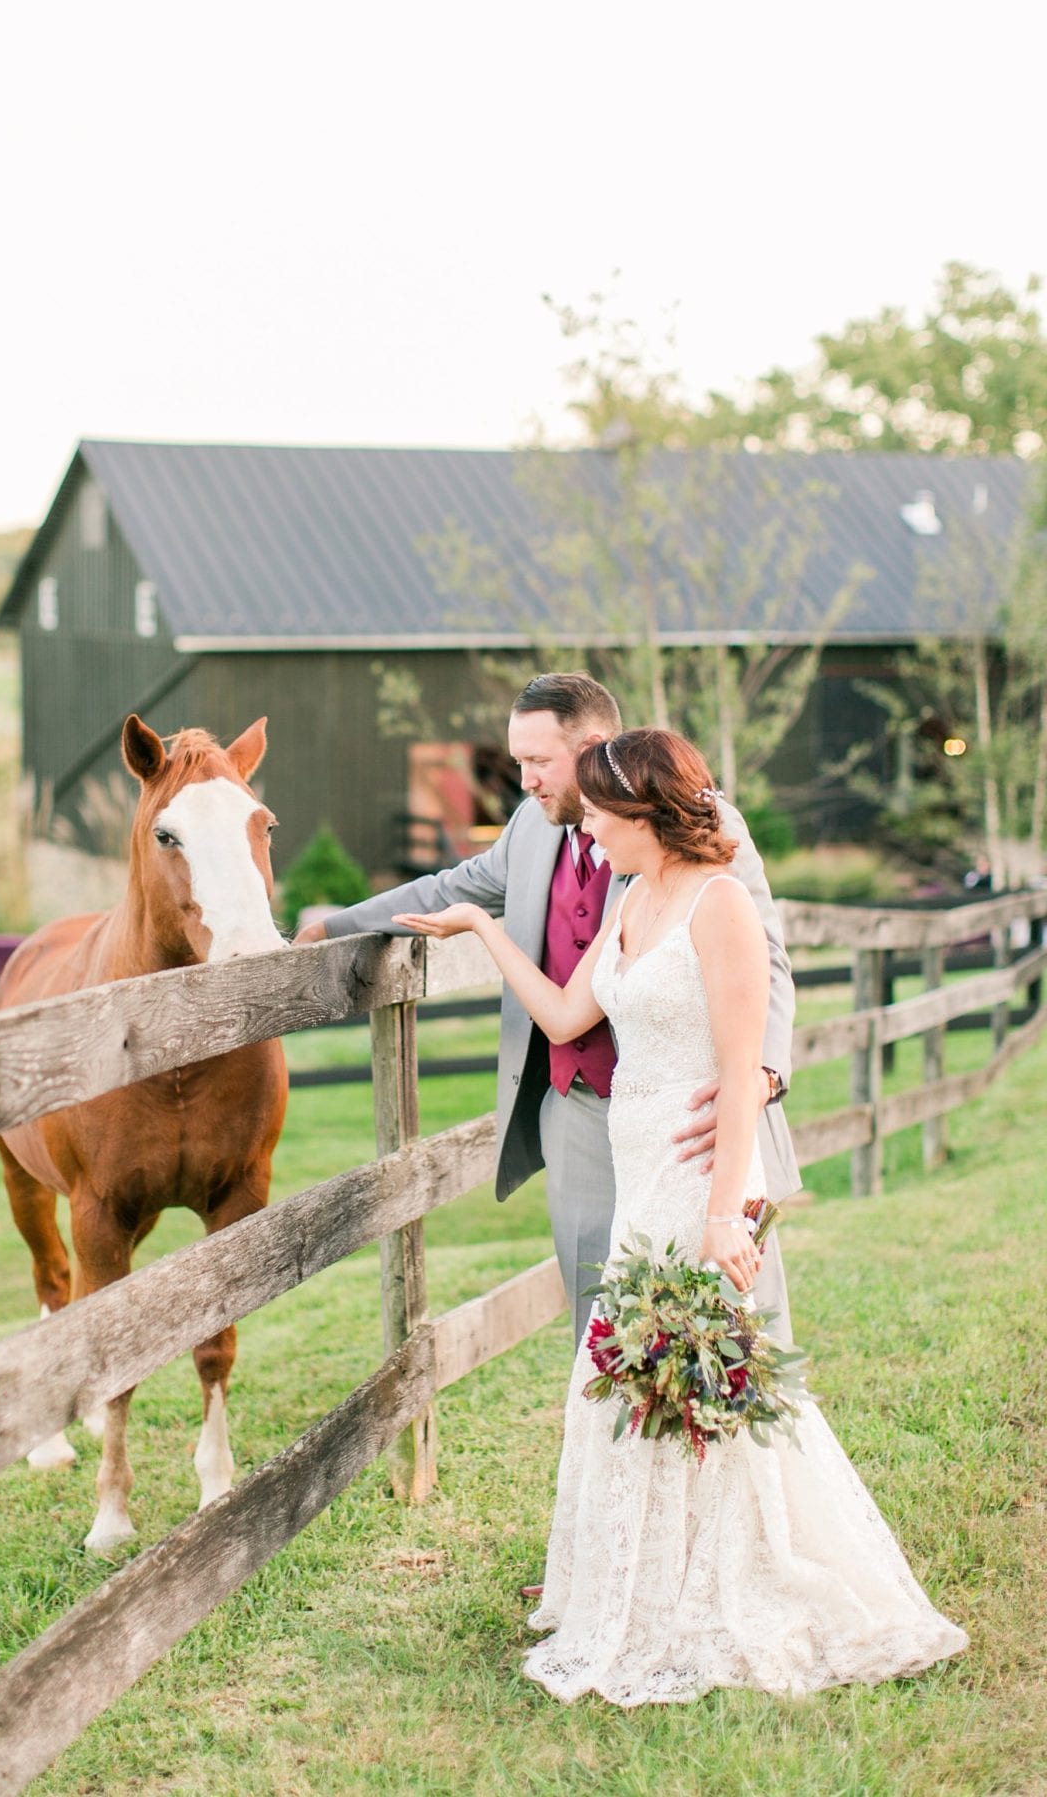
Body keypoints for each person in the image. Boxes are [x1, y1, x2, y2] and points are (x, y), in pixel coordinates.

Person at [396, 726, 967, 1706]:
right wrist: (481, 930)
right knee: (640, 1376)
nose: (591, 835)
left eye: (603, 818)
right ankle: (647, 1577)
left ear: (647, 814)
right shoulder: (629, 897)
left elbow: (743, 1071)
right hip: (636, 1168)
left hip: (696, 1177)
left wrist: (724, 1216)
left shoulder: (721, 903)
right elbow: (569, 1019)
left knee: (702, 1373)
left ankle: (733, 1577)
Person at [296, 673, 800, 1349]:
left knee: (730, 1326)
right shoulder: (532, 829)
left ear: (592, 747)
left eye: (537, 762)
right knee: (600, 1322)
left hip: (694, 1117)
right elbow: (455, 886)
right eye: (519, 762)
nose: (524, 780)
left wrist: (760, 1078)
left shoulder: (693, 822)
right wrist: (333, 927)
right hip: (582, 1107)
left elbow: (763, 957)